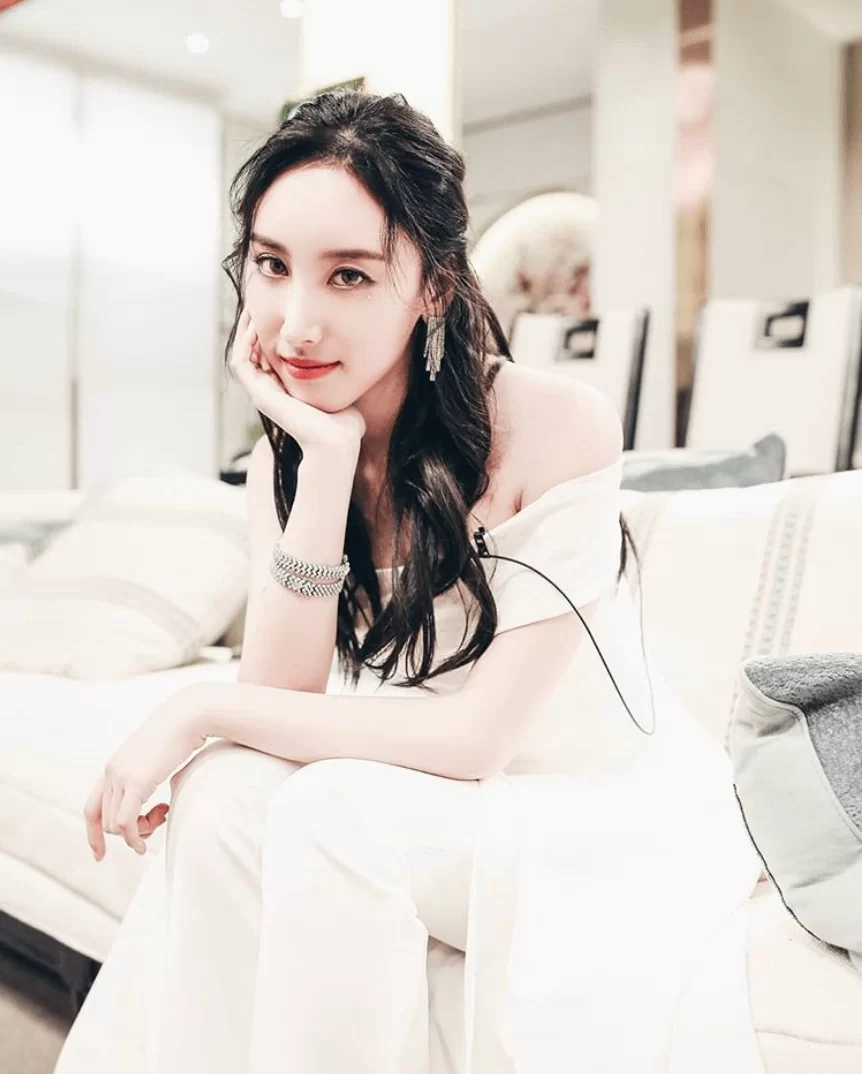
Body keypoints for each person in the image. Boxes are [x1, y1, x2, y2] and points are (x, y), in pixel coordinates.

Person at [56, 90, 764, 1074]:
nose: (295, 323)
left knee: (328, 814)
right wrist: (321, 463)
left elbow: (477, 742)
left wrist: (195, 706)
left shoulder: (554, 423)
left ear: (432, 286)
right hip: (423, 791)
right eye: (271, 265)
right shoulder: (285, 459)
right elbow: (281, 702)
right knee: (218, 791)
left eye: (347, 274)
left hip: (577, 804)